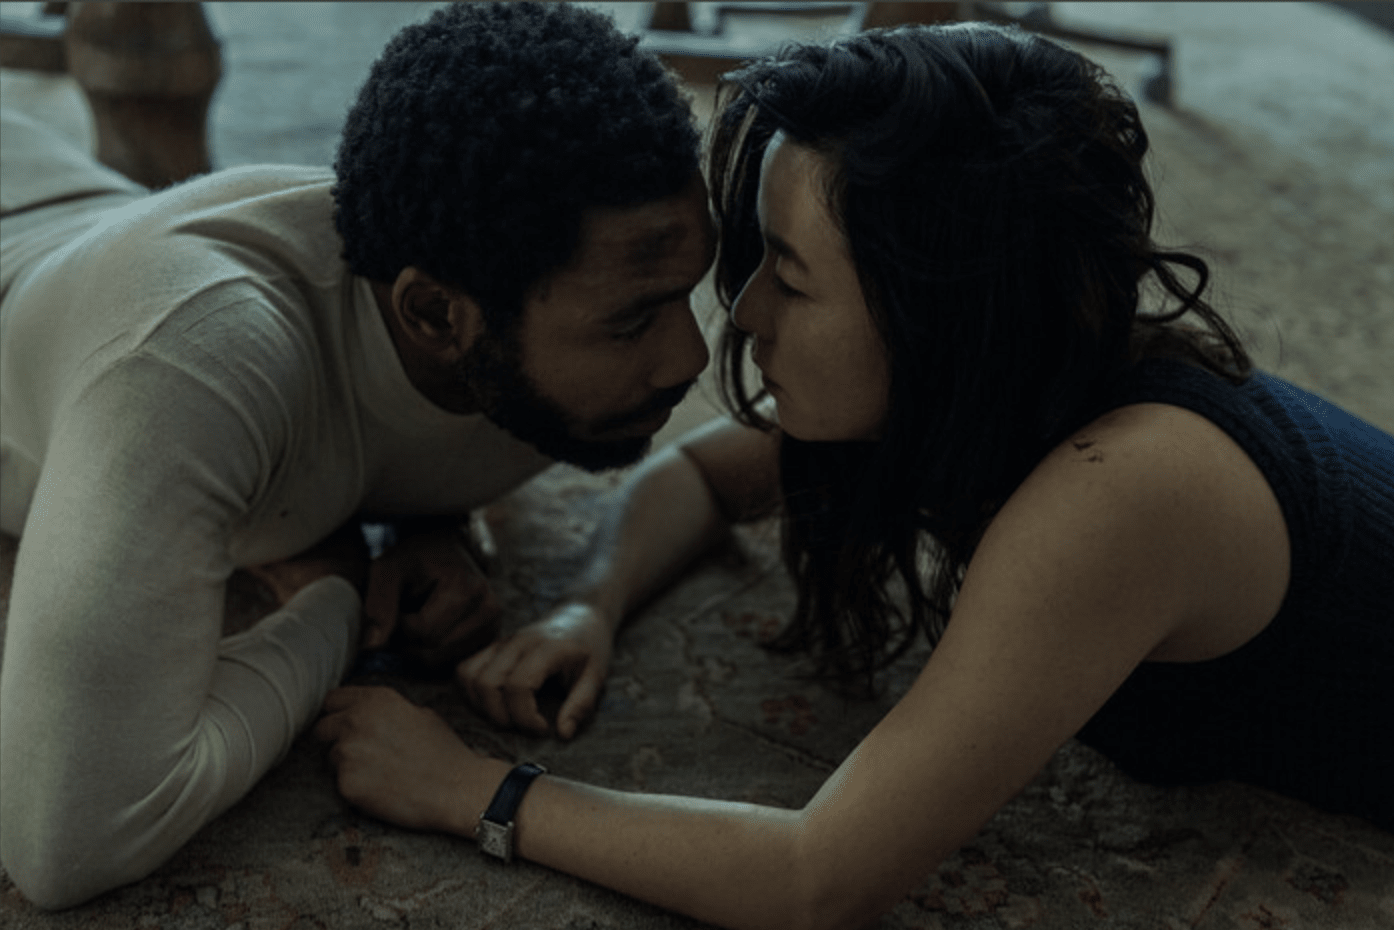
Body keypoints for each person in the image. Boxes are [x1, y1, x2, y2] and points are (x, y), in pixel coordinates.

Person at [315, 20, 1394, 930]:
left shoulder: (1125, 490)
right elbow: (705, 477)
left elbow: (813, 875)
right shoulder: (999, 372)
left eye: (786, 275)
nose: (738, 318)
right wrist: (587, 606)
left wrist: (471, 792)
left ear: (939, 312)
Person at [0, 2, 713, 910]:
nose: (689, 360)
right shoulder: (193, 358)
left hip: (59, 189)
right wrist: (336, 599)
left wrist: (437, 524)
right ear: (435, 318)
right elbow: (67, 840)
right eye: (632, 321)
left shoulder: (494, 300)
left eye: (686, 294)